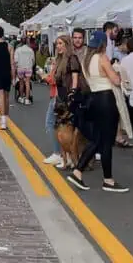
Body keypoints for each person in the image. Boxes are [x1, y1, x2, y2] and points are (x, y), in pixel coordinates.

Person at [66, 31, 128, 193]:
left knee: (99, 139)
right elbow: (115, 80)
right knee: (106, 141)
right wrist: (119, 75)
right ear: (103, 44)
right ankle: (108, 180)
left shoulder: (86, 60)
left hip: (94, 99)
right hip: (107, 99)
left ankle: (78, 171)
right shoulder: (102, 58)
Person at [43, 34, 75, 167]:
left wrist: (44, 76)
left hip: (61, 97)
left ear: (67, 44)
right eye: (57, 44)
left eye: (61, 43)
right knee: (60, 126)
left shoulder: (68, 60)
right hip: (58, 96)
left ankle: (59, 154)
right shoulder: (60, 59)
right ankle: (65, 156)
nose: (58, 46)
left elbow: (56, 80)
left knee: (52, 123)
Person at [14, 39, 36, 105]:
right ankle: (27, 99)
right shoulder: (30, 50)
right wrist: (31, 65)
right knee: (27, 83)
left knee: (21, 83)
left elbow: (15, 60)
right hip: (28, 67)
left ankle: (21, 97)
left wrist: (17, 67)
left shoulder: (18, 50)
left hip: (20, 68)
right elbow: (33, 60)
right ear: (27, 43)